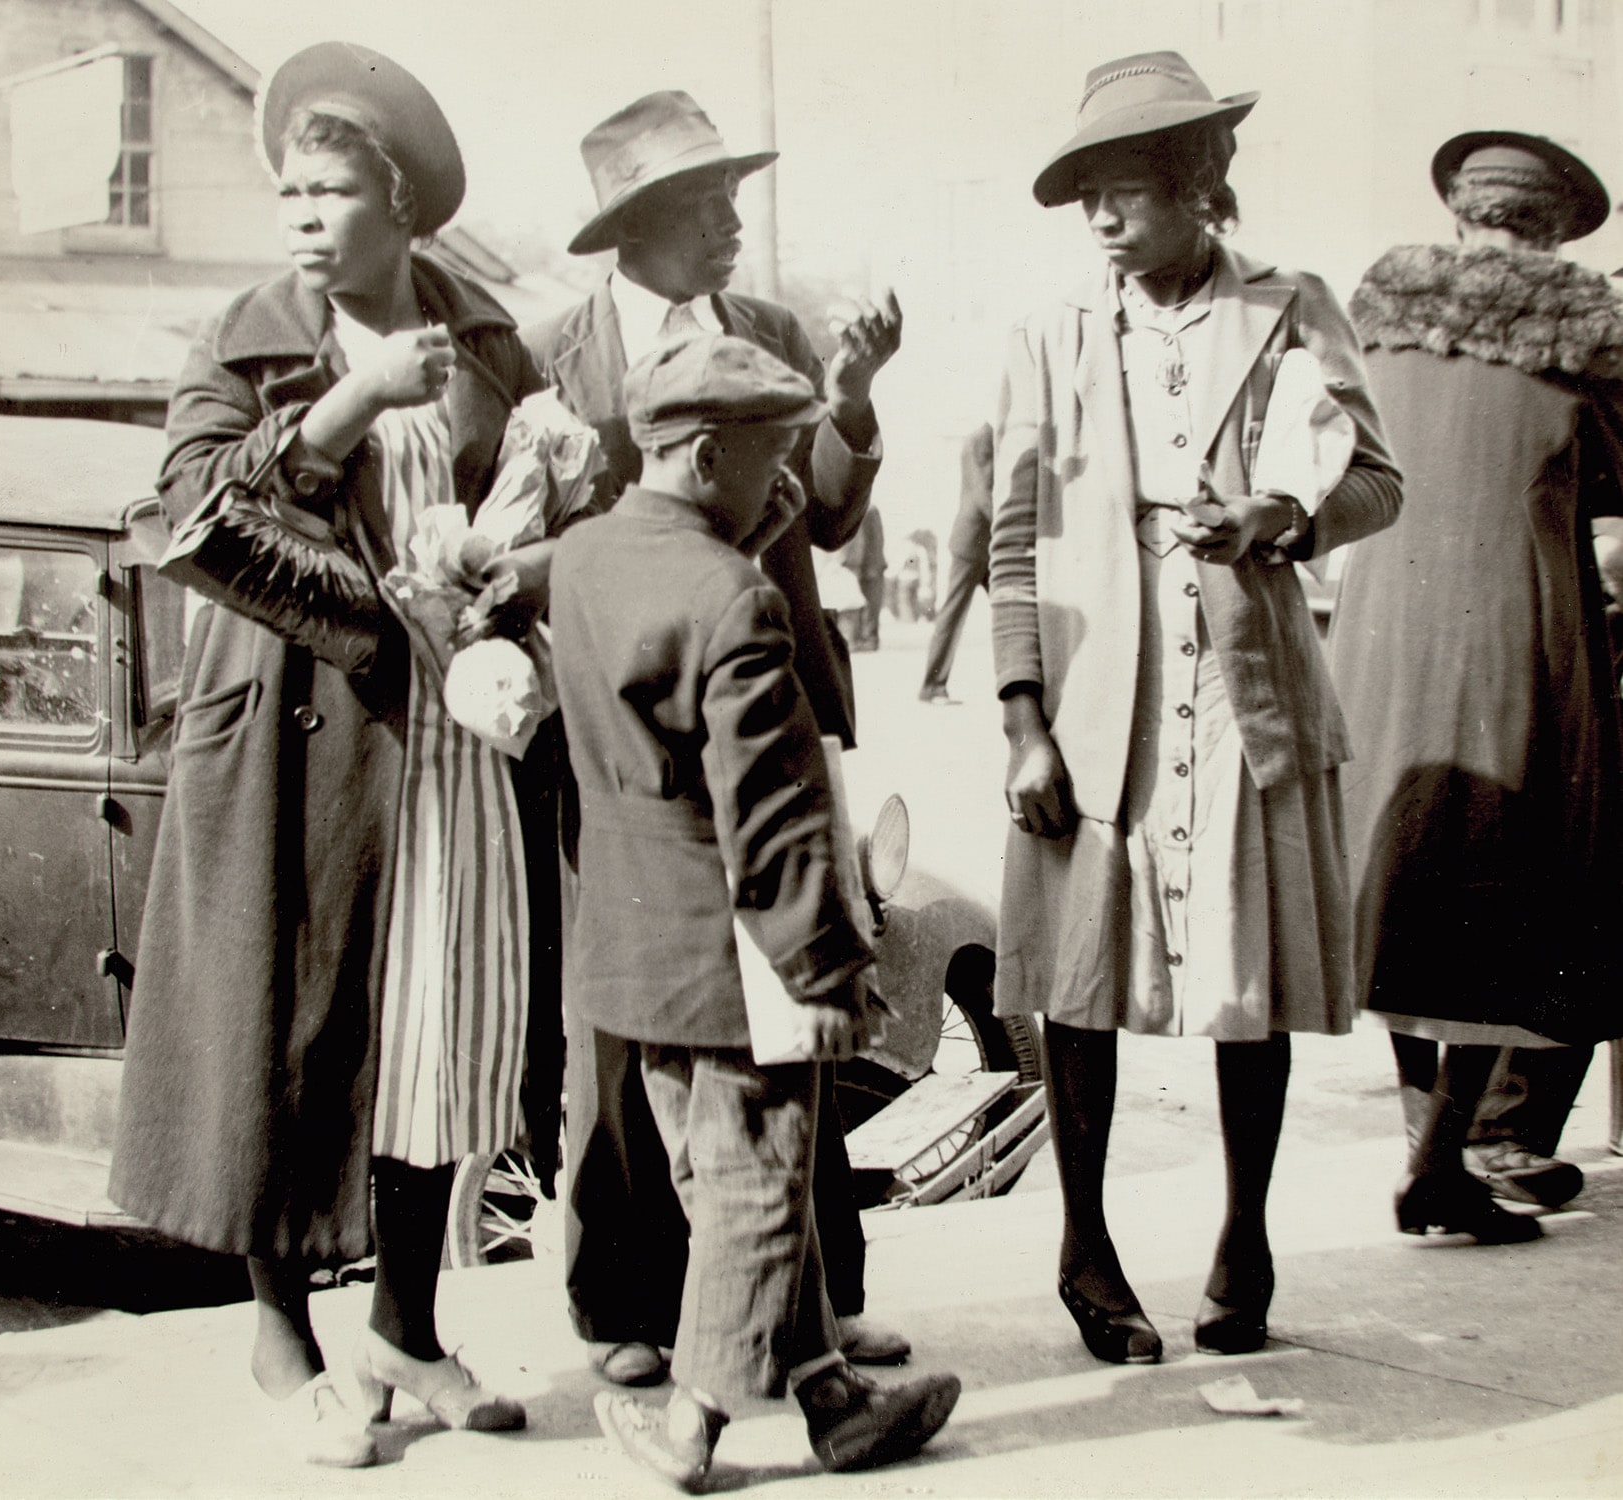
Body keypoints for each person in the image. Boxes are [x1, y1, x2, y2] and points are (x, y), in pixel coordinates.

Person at [109, 43, 545, 1465]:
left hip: (449, 738)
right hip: (298, 731)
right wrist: (343, 410)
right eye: (289, 189)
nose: (302, 213)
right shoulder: (241, 340)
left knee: (439, 1021)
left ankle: (407, 1331)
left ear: (401, 203)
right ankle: (282, 1336)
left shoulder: (483, 338)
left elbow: (541, 496)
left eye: (333, 188)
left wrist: (510, 595)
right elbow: (189, 520)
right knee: (284, 1024)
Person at [990, 52, 1401, 1364]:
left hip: (1240, 686)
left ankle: (1243, 1234)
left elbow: (1374, 480)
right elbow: (1008, 539)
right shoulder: (1054, 336)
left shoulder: (1288, 311)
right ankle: (1085, 1248)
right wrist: (1020, 716)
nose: (1103, 221)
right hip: (1102, 686)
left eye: (1125, 193)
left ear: (1194, 189)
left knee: (1249, 971)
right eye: (1086, 199)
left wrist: (1283, 518)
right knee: (1079, 972)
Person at [527, 89, 907, 1386]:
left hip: (769, 705)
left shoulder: (774, 335)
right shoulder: (554, 361)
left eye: (735, 196)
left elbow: (834, 519)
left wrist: (849, 405)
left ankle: (817, 1305)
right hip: (632, 745)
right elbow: (521, 552)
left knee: (791, 1020)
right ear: (631, 227)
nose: (732, 222)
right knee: (638, 1026)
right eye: (705, 202)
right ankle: (628, 1308)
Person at [552, 333, 961, 1489]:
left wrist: (750, 514)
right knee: (755, 1188)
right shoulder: (731, 598)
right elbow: (773, 816)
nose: (786, 476)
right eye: (770, 452)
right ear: (705, 452)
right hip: (737, 954)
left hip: (635, 947)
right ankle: (691, 1431)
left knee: (715, 1168)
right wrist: (825, 969)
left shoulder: (582, 555)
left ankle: (830, 1396)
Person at [1333, 131, 1623, 1238]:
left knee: (1397, 866)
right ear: (1550, 228)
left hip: (1383, 621)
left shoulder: (1376, 323)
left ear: (1458, 214)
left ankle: (1432, 1148)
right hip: (1516, 621)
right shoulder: (1585, 340)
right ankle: (1447, 1151)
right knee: (1516, 871)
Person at [919, 424, 992, 702]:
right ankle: (932, 686)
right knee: (952, 614)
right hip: (973, 542)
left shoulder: (993, 434)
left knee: (1014, 610)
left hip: (988, 542)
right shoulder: (982, 436)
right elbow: (982, 492)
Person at [838, 503, 886, 650]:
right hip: (868, 563)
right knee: (867, 602)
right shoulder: (869, 508)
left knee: (861, 602)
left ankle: (863, 639)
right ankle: (865, 638)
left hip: (861, 563)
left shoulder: (865, 508)